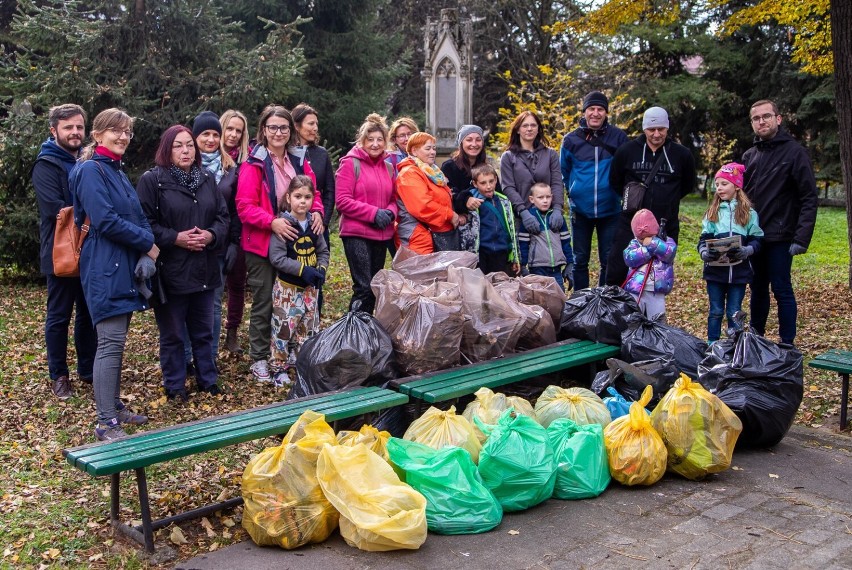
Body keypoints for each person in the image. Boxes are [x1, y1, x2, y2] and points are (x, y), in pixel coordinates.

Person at [69, 108, 155, 440]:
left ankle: (115, 406)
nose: (122, 137)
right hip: (104, 267)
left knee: (116, 345)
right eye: (115, 131)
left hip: (122, 266)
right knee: (109, 344)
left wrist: (147, 245)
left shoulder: (116, 171)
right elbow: (104, 221)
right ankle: (105, 421)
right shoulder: (91, 170)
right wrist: (148, 243)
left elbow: (138, 215)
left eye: (127, 132)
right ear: (98, 135)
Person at [137, 125, 228, 401]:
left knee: (203, 332)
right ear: (167, 149)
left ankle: (207, 380)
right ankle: (175, 386)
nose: (186, 151)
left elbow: (224, 219)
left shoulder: (207, 178)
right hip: (171, 271)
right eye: (178, 146)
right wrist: (175, 238)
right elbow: (144, 224)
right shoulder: (153, 181)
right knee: (174, 334)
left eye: (190, 145)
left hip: (204, 267)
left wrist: (211, 235)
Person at [235, 105, 322, 383]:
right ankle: (260, 357)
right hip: (263, 243)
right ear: (263, 130)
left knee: (295, 300)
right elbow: (244, 206)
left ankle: (288, 351)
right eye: (272, 127)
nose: (278, 132)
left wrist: (317, 211)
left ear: (291, 130)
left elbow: (313, 191)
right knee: (264, 301)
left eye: (283, 127)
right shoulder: (254, 163)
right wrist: (271, 221)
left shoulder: (298, 159)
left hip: (296, 243)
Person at [33, 103, 96, 400]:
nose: (75, 133)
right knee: (59, 316)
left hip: (90, 251)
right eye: (68, 127)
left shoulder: (87, 161)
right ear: (54, 130)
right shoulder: (46, 164)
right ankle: (58, 374)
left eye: (79, 127)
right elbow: (54, 209)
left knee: (88, 313)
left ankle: (88, 369)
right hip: (60, 253)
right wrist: (93, 212)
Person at [742, 99, 818, 346]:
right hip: (755, 237)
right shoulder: (749, 156)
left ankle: (787, 343)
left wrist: (801, 237)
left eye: (766, 116)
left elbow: (808, 197)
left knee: (782, 289)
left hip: (781, 236)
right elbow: (742, 198)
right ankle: (757, 338)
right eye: (756, 118)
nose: (761, 121)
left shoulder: (795, 153)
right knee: (757, 289)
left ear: (778, 119)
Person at [606, 106, 695, 287]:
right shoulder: (627, 151)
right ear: (644, 129)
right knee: (618, 271)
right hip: (630, 224)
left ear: (667, 128)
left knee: (658, 275)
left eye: (661, 129)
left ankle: (652, 313)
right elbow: (615, 182)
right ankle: (616, 309)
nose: (656, 134)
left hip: (665, 224)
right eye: (651, 129)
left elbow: (687, 184)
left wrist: (667, 201)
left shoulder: (682, 155)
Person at [560, 91, 628, 289]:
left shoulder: (619, 137)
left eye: (600, 109)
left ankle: (604, 299)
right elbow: (563, 171)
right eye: (591, 109)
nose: (595, 113)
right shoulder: (571, 140)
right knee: (580, 259)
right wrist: (572, 193)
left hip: (611, 210)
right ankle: (581, 301)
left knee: (608, 258)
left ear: (606, 113)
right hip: (580, 210)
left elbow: (626, 168)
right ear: (584, 112)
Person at [268, 175, 329, 386]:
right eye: (298, 196)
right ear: (288, 197)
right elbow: (277, 258)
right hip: (287, 289)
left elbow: (323, 250)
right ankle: (278, 368)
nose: (302, 201)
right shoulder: (284, 225)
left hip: (311, 289)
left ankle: (305, 367)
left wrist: (320, 268)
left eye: (307, 197)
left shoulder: (314, 223)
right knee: (283, 329)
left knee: (309, 330)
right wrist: (302, 269)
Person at [335, 113, 398, 314]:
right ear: (362, 141)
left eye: (379, 139)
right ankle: (352, 334)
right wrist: (373, 213)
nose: (375, 144)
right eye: (370, 140)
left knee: (374, 288)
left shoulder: (388, 168)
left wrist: (389, 213)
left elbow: (394, 199)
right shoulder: (350, 163)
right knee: (363, 287)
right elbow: (342, 200)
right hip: (356, 233)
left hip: (381, 233)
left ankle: (366, 331)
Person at [698, 163, 764, 343]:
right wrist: (704, 252)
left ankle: (734, 345)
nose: (719, 188)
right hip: (715, 272)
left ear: (736, 186)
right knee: (716, 310)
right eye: (717, 184)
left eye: (724, 184)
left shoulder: (749, 213)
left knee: (734, 310)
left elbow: (758, 240)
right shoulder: (712, 212)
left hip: (739, 272)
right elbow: (703, 239)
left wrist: (747, 250)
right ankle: (712, 344)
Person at [193, 111, 240, 361]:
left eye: (215, 135)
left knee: (213, 303)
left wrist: (234, 241)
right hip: (187, 245)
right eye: (205, 134)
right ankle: (188, 357)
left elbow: (235, 209)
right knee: (188, 304)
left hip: (219, 246)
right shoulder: (185, 162)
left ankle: (208, 358)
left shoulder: (230, 168)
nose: (211, 139)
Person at [500, 110, 565, 240]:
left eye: (533, 125)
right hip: (521, 218)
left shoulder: (550, 154)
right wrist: (523, 212)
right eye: (525, 125)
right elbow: (508, 187)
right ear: (518, 130)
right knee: (523, 257)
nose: (529, 129)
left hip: (548, 217)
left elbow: (557, 183)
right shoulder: (508, 157)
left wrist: (558, 209)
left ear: (538, 129)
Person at [396, 132, 459, 254]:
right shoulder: (409, 173)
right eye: (428, 148)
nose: (433, 152)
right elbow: (422, 206)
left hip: (436, 234)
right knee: (422, 273)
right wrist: (450, 215)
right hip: (419, 239)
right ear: (414, 151)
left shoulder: (432, 172)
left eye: (434, 148)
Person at [219, 109, 250, 354]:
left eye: (238, 131)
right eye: (229, 128)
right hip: (214, 229)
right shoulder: (208, 157)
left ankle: (232, 331)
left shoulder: (245, 162)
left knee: (236, 283)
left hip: (238, 229)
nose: (233, 134)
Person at [458, 163, 520, 276]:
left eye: (491, 181)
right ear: (475, 184)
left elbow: (512, 230)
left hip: (502, 252)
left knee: (500, 287)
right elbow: (457, 201)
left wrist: (515, 257)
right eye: (483, 183)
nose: (488, 186)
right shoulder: (471, 202)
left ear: (496, 179)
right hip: (481, 254)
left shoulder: (504, 201)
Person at [518, 182, 574, 291]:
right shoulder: (529, 219)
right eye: (540, 197)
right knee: (541, 298)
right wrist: (523, 265)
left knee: (559, 297)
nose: (545, 200)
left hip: (556, 270)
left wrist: (570, 263)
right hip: (537, 269)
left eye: (548, 197)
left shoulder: (557, 218)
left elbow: (566, 242)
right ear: (532, 199)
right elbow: (523, 245)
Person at [623, 209, 677, 319]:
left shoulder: (666, 241)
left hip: (656, 291)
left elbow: (669, 254)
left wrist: (653, 244)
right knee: (633, 319)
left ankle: (657, 336)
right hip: (636, 290)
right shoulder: (634, 243)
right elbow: (629, 258)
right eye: (640, 238)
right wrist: (646, 250)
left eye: (646, 237)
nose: (642, 240)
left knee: (657, 321)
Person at [441, 124, 500, 218]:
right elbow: (446, 194)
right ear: (461, 143)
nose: (474, 144)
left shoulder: (487, 168)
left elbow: (498, 194)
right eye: (469, 140)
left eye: (478, 140)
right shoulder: (449, 167)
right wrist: (465, 200)